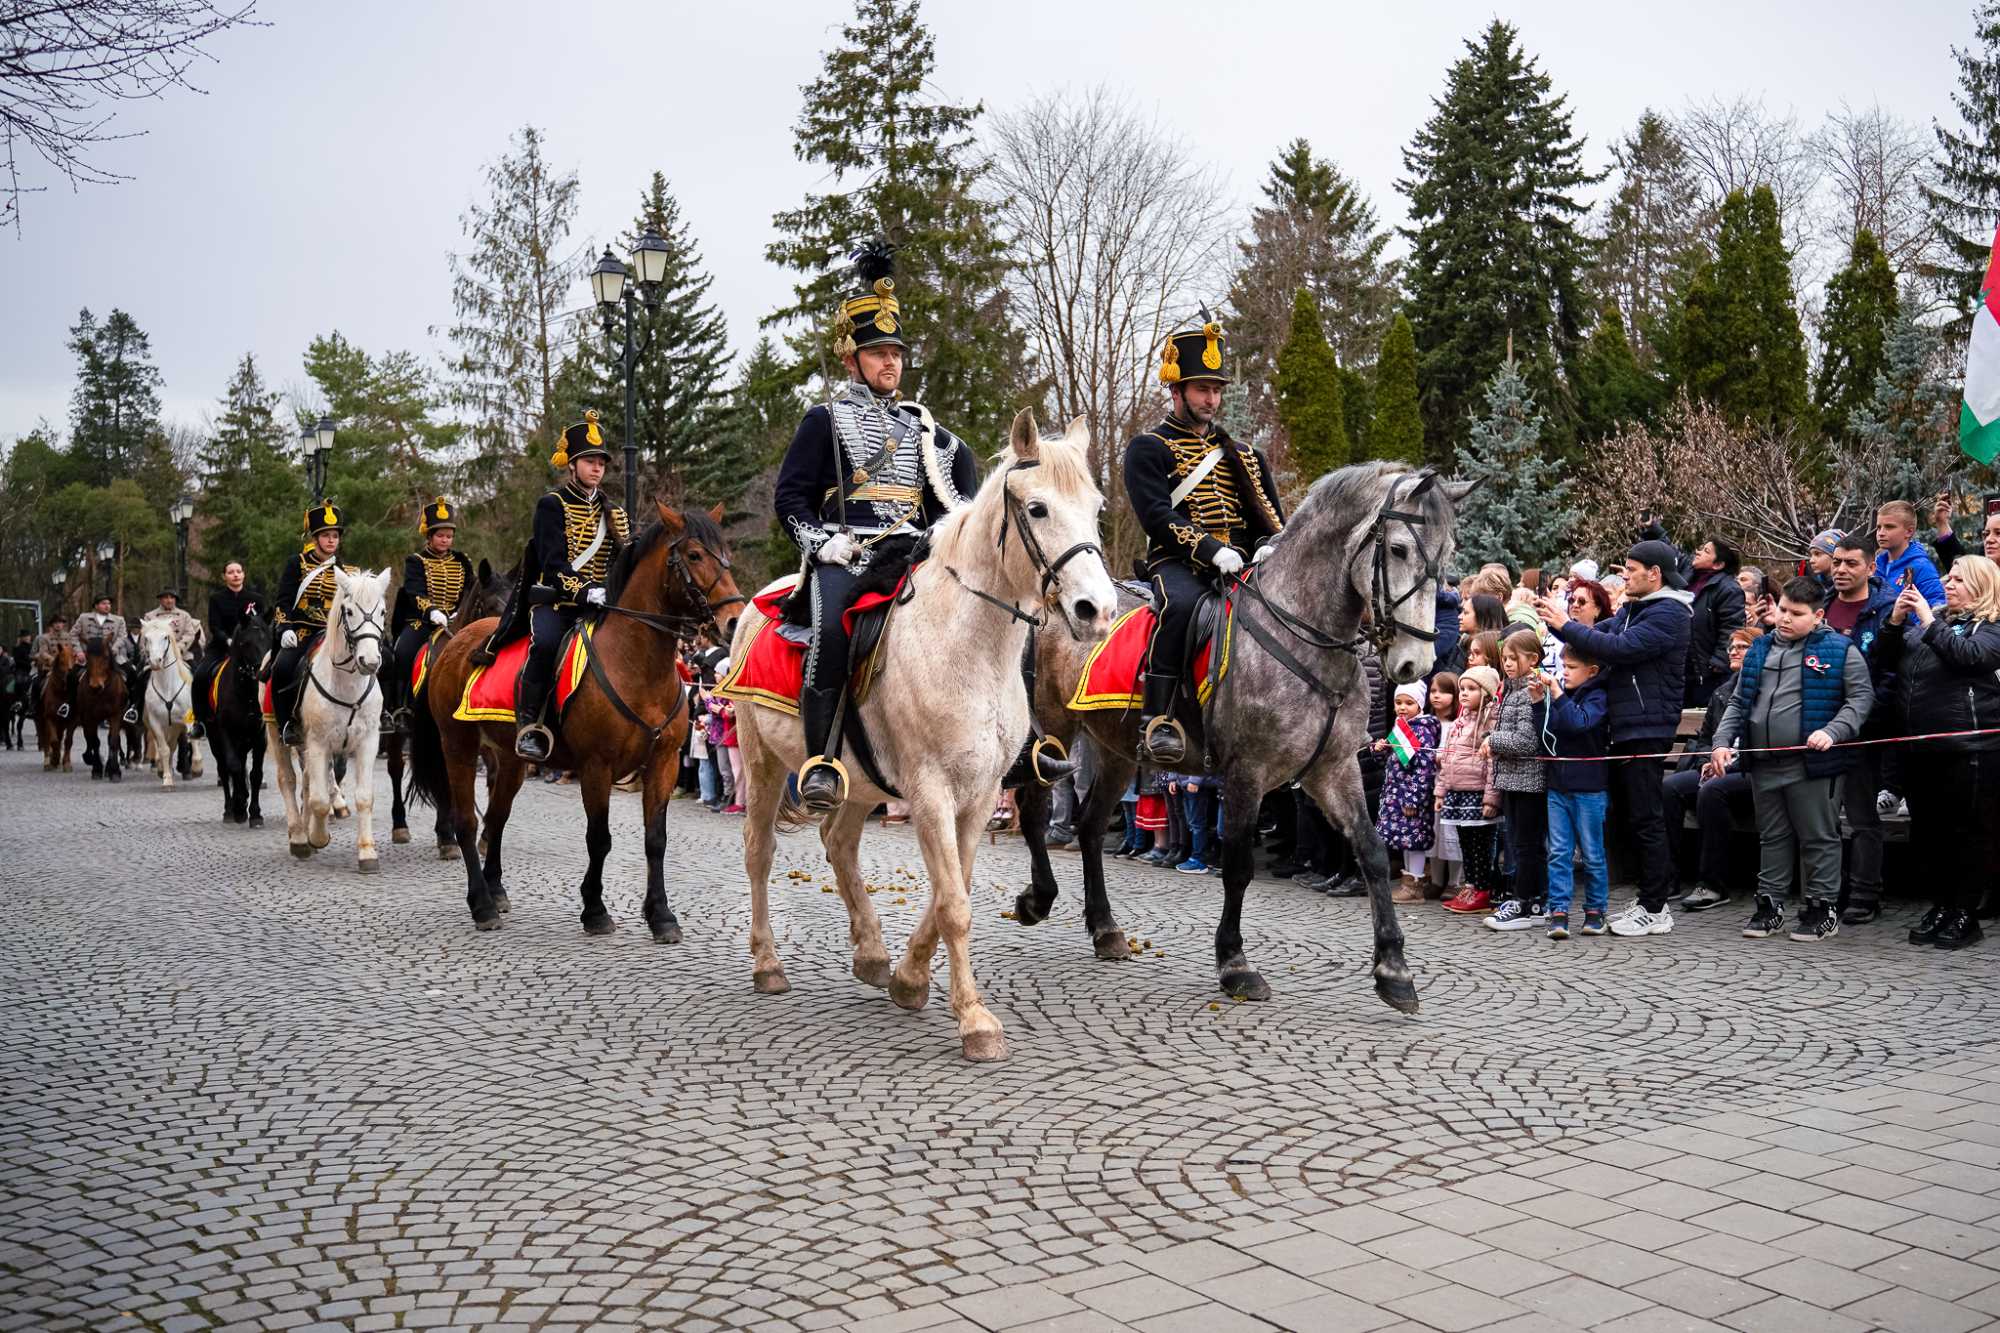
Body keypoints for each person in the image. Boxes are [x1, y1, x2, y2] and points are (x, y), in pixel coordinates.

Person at [773, 242, 979, 809]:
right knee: (835, 629)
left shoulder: (927, 432)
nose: (890, 363)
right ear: (852, 359)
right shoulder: (824, 422)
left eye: (896, 353)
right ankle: (820, 761)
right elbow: (789, 498)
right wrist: (821, 541)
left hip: (913, 553)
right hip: (848, 553)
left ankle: (1019, 740)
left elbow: (947, 508)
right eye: (877, 353)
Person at [1123, 317, 1284, 767]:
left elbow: (1271, 515)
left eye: (1215, 389)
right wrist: (1211, 550)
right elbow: (1156, 516)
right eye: (1201, 390)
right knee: (1179, 608)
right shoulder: (1148, 448)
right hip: (1180, 564)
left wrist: (1272, 545)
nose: (1211, 399)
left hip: (1249, 562)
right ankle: (1156, 720)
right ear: (1176, 390)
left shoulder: (1247, 455)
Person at [1539, 536, 1693, 938]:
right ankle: (1646, 898)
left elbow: (1618, 648)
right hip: (1625, 727)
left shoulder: (1670, 614)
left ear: (1655, 573)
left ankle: (1656, 907)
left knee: (1646, 817)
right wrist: (1555, 622)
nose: (1624, 576)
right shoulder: (1634, 609)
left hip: (1647, 726)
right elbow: (1590, 639)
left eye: (1631, 570)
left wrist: (1566, 624)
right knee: (1630, 817)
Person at [1710, 578, 1873, 943]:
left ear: (1817, 616)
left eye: (1796, 614)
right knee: (1772, 837)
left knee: (1818, 837)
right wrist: (1722, 742)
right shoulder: (1760, 649)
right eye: (1782, 609)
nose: (1785, 619)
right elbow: (1739, 702)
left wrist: (1833, 731)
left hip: (1813, 765)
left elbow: (1860, 699)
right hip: (1764, 762)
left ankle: (1821, 907)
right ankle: (1770, 905)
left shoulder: (1840, 650)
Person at [1872, 555, 2000, 948]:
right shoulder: (1936, 621)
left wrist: (1927, 621)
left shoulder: (1992, 627)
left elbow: (1970, 657)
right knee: (1929, 835)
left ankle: (1965, 911)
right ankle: (1941, 904)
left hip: (1971, 747)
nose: (1949, 582)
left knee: (1969, 834)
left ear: (1980, 585)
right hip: (1920, 748)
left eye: (1959, 578)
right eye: (1949, 576)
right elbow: (1884, 659)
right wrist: (1895, 621)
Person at [492, 413, 631, 761]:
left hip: (598, 603)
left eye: (601, 462)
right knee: (545, 646)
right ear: (572, 465)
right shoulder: (552, 504)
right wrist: (585, 590)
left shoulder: (611, 510)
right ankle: (530, 725)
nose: (597, 468)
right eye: (589, 461)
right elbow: (552, 564)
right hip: (555, 602)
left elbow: (621, 559)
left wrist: (626, 546)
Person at [1823, 535, 1900, 925]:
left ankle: (1866, 892)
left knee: (1861, 815)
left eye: (1851, 563)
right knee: (1823, 816)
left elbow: (1890, 672)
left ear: (1871, 568)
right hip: (1821, 728)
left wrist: (1862, 714)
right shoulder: (1822, 607)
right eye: (1836, 562)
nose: (1840, 570)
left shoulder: (1886, 610)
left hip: (1865, 729)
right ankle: (1827, 891)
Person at [1662, 629, 1758, 912]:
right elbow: (1706, 738)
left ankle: (1712, 884)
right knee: (1671, 787)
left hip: (1753, 771)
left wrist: (1730, 764)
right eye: (1731, 646)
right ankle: (1667, 877)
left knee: (1712, 792)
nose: (1733, 650)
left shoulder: (1765, 688)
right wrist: (1707, 761)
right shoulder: (1723, 691)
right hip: (1719, 768)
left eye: (1743, 646)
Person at [1480, 630, 1551, 931]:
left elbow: (1526, 741)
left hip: (1529, 781)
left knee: (1527, 844)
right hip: (1511, 779)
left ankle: (1526, 900)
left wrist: (1491, 739)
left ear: (1533, 659)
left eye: (1513, 658)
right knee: (1521, 842)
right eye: (1504, 658)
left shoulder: (1528, 693)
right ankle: (1532, 900)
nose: (1507, 664)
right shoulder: (1511, 690)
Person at [388, 497, 476, 737]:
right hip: (423, 622)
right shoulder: (416, 561)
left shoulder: (462, 560)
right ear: (429, 536)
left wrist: (461, 611)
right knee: (403, 652)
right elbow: (414, 591)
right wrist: (431, 611)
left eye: (449, 536)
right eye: (440, 536)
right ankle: (402, 707)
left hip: (456, 621)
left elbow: (471, 589)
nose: (445, 540)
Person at [1541, 643, 1612, 939]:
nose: (1563, 673)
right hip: (1558, 786)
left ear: (1591, 671)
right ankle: (1558, 909)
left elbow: (1579, 723)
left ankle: (1595, 909)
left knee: (1593, 853)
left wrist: (1556, 695)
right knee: (1558, 852)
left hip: (1589, 789)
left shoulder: (1598, 696)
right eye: (1562, 666)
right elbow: (1545, 735)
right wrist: (1537, 704)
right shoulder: (1563, 697)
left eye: (1570, 668)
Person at [271, 503, 353, 748]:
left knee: (378, 659)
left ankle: (378, 714)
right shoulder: (297, 564)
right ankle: (287, 723)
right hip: (304, 632)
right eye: (326, 536)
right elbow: (283, 601)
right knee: (283, 667)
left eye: (335, 536)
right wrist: (285, 628)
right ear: (315, 538)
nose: (331, 541)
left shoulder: (347, 569)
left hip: (338, 635)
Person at [1437, 665, 1501, 914]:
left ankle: (1484, 888)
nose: (1464, 693)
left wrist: (1491, 797)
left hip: (1476, 792)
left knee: (1481, 844)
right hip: (1457, 791)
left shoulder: (1490, 721)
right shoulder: (1459, 723)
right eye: (1462, 688)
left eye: (1471, 689)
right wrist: (1441, 792)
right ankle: (1471, 884)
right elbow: (1447, 758)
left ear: (1486, 692)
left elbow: (1492, 763)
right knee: (1466, 842)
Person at [1373, 683, 1440, 904]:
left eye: (1409, 703)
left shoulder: (1421, 730)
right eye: (1398, 702)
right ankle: (1408, 882)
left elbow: (1423, 768)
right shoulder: (1400, 727)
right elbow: (1397, 762)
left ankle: (1415, 886)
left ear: (1420, 704)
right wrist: (1381, 751)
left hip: (1412, 798)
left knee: (1415, 840)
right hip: (1397, 795)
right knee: (1406, 841)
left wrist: (1413, 798)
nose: (1402, 707)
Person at [1684, 538, 1748, 707]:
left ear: (1718, 564)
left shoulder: (1728, 589)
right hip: (1684, 667)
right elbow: (1672, 553)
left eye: (1706, 551)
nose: (1697, 552)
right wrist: (1653, 528)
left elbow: (1731, 628)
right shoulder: (1688, 578)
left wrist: (1719, 661)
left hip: (1708, 672)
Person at [67, 594, 133, 722]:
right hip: (88, 657)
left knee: (133, 674)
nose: (107, 606)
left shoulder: (119, 620)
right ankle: (70, 707)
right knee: (71, 676)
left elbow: (123, 637)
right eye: (103, 603)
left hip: (113, 656)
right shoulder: (84, 618)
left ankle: (131, 707)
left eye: (108, 603)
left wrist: (113, 650)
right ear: (96, 605)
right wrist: (79, 652)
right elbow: (73, 635)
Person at [1873, 500, 1947, 609]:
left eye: (1889, 527)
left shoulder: (1919, 567)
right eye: (1879, 527)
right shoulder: (1876, 566)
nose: (1881, 533)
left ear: (1909, 531)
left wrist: (1910, 625)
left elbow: (1937, 607)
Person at [1930, 492, 2000, 568]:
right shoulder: (1980, 575)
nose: (1988, 539)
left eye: (1998, 533)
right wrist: (1942, 522)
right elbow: (1962, 569)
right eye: (1986, 534)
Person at [1804, 529, 1843, 598]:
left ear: (1835, 555)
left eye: (1817, 554)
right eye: (1811, 555)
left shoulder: (1848, 589)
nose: (1811, 560)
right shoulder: (1814, 586)